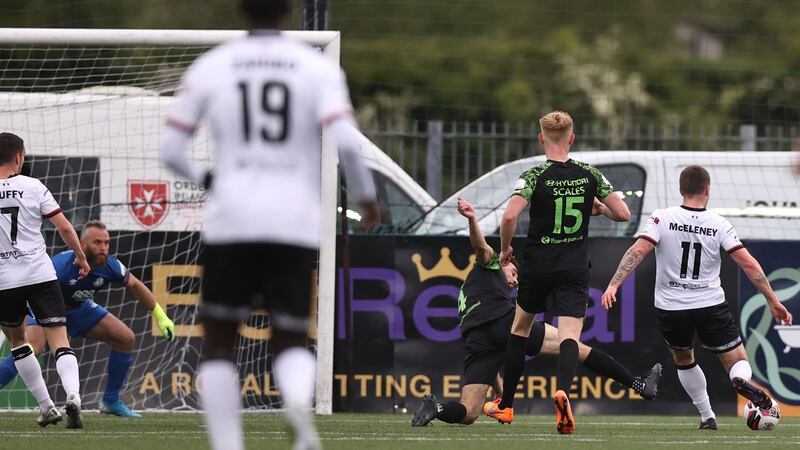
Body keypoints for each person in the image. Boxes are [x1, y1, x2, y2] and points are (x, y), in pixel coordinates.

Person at [160, 1, 379, 449]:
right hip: (292, 220)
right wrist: (366, 197)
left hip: (231, 219)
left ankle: (228, 444)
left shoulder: (213, 64)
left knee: (219, 342)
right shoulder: (315, 68)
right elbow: (347, 141)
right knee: (292, 335)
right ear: (288, 10)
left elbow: (170, 150)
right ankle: (296, 403)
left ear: (242, 9)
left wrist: (211, 180)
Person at [411, 198, 661, 427]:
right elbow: (481, 248)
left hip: (478, 339)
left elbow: (492, 358)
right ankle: (639, 384)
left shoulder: (471, 292)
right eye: (513, 274)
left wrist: (501, 395)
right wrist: (472, 220)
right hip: (504, 322)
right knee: (576, 346)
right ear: (504, 263)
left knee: (469, 412)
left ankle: (437, 408)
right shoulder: (492, 264)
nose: (514, 281)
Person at [601, 164, 793, 430]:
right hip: (709, 304)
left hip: (671, 307)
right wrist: (772, 300)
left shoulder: (662, 217)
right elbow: (748, 263)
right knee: (737, 360)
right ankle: (739, 381)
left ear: (681, 190)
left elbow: (638, 250)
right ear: (707, 190)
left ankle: (707, 416)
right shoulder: (719, 224)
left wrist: (614, 284)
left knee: (684, 360)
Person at [483, 111, 631, 434]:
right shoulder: (590, 174)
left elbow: (509, 218)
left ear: (541, 138)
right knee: (569, 336)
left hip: (538, 265)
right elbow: (623, 213)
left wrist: (505, 250)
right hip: (574, 267)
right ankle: (563, 391)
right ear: (572, 139)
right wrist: (599, 208)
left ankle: (506, 405)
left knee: (520, 329)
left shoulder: (534, 175)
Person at [0, 219, 176, 417]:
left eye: (106, 242)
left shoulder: (110, 265)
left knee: (125, 338)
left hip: (78, 310)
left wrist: (159, 315)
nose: (103, 248)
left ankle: (110, 401)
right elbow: (33, 291)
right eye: (97, 242)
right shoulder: (61, 266)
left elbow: (134, 285)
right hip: (45, 309)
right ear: (82, 244)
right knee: (32, 348)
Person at [0, 132, 90, 428]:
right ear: (18, 157)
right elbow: (63, 227)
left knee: (18, 342)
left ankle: (46, 406)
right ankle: (73, 395)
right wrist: (81, 257)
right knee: (59, 340)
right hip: (40, 274)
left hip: (5, 279)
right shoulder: (34, 186)